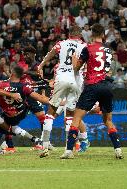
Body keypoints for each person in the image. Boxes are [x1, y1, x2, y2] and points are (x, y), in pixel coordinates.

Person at [61, 24, 123, 159]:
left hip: (92, 86)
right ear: (103, 35)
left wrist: (74, 60)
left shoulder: (88, 48)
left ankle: (69, 151)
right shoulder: (108, 50)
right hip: (107, 86)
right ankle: (118, 149)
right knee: (108, 120)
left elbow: (76, 68)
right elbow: (107, 69)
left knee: (76, 118)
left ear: (91, 34)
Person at [38, 26, 88, 157]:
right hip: (77, 80)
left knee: (51, 111)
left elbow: (51, 53)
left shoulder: (62, 43)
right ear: (80, 35)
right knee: (70, 115)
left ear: (69, 34)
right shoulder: (84, 45)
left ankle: (44, 146)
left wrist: (42, 64)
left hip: (61, 78)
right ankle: (68, 149)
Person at [0, 66, 49, 152]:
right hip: (21, 111)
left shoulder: (1, 84)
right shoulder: (24, 86)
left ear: (12, 73)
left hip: (11, 111)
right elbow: (41, 94)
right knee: (6, 124)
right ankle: (10, 145)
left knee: (0, 123)